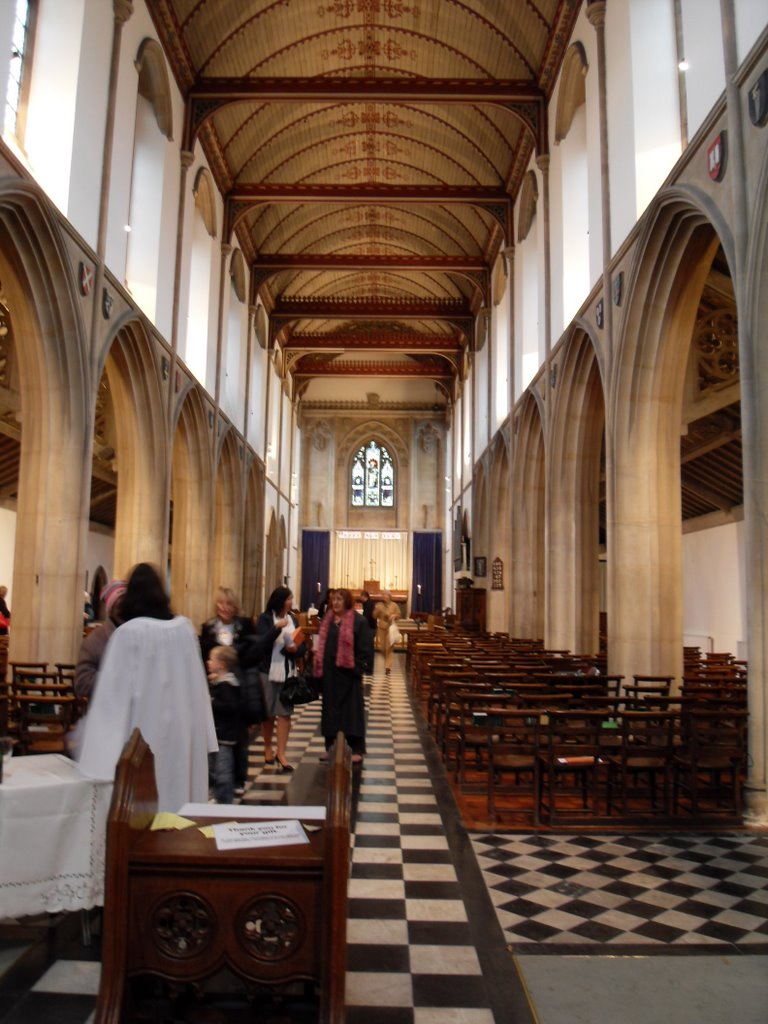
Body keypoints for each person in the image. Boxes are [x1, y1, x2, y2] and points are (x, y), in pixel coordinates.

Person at [77, 562, 217, 811]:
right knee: (178, 792)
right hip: (181, 731)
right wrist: (202, 731)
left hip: (142, 734)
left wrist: (97, 753)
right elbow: (199, 688)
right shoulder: (184, 629)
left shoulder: (128, 634)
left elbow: (112, 698)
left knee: (148, 807)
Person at [199, 587, 255, 794]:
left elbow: (252, 653)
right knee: (216, 733)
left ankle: (239, 778)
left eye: (228, 604)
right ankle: (214, 778)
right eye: (221, 603)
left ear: (235, 607)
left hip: (238, 685)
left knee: (238, 734)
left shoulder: (245, 626)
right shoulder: (209, 627)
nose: (224, 608)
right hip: (215, 685)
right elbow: (203, 654)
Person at [246, 586, 303, 772]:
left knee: (285, 713)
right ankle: (268, 747)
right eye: (288, 598)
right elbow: (261, 643)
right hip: (268, 670)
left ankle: (282, 752)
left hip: (287, 671)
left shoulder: (293, 618)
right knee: (269, 713)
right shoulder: (265, 619)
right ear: (279, 600)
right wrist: (276, 629)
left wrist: (295, 650)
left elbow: (302, 645)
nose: (291, 601)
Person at [314, 587, 373, 763]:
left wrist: (357, 667)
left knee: (352, 712)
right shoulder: (327, 620)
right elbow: (319, 642)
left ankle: (357, 748)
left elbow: (365, 649)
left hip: (349, 675)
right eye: (334, 599)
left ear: (347, 601)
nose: (336, 602)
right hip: (330, 674)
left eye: (340, 599)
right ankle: (329, 746)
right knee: (329, 712)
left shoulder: (359, 621)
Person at [73, 578, 126, 698]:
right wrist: (120, 679)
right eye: (119, 604)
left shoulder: (137, 634)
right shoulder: (94, 641)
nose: (123, 609)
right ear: (110, 609)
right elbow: (82, 684)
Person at [206, 645, 243, 804]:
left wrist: (211, 702)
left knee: (223, 772)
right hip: (218, 734)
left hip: (224, 735)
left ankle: (224, 802)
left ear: (221, 664)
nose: (208, 662)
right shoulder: (220, 682)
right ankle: (216, 796)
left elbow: (230, 706)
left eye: (211, 659)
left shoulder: (227, 684)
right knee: (213, 769)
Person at [373, 590, 401, 675]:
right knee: (382, 648)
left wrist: (394, 616)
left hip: (390, 629)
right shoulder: (379, 605)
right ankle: (387, 663)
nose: (384, 597)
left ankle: (387, 667)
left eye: (386, 595)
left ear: (389, 596)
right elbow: (374, 616)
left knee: (389, 648)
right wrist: (376, 611)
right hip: (381, 628)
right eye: (383, 595)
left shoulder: (394, 605)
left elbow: (399, 615)